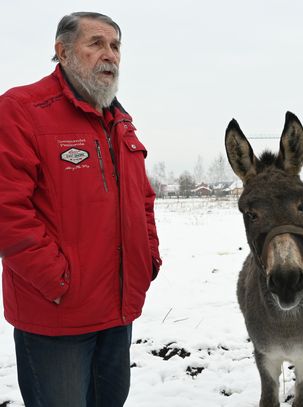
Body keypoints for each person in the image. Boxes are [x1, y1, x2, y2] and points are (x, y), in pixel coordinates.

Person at [0, 12, 161, 406]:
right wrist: (56, 281)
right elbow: (7, 208)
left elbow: (143, 201)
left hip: (118, 311)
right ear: (62, 52)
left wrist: (148, 259)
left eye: (115, 46)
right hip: (58, 317)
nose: (110, 55)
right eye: (96, 44)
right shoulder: (22, 109)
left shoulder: (121, 122)